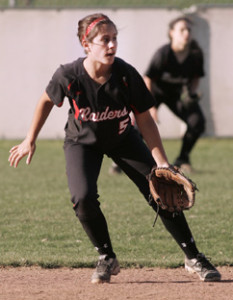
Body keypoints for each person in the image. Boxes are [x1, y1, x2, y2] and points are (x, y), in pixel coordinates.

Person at [8, 13, 220, 284]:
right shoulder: (69, 75)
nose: (112, 45)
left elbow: (144, 119)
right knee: (82, 198)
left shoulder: (125, 74)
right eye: (104, 40)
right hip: (81, 143)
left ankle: (193, 257)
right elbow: (46, 100)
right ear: (86, 44)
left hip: (124, 139)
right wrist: (30, 139)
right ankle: (106, 257)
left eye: (115, 39)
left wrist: (162, 162)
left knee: (162, 192)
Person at [144, 16, 206, 173]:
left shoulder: (195, 54)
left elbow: (196, 77)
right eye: (182, 29)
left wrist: (190, 93)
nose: (186, 33)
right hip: (156, 92)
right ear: (172, 33)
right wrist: (150, 106)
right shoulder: (163, 53)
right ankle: (121, 162)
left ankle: (183, 159)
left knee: (197, 122)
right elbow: (148, 78)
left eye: (189, 30)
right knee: (140, 125)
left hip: (178, 94)